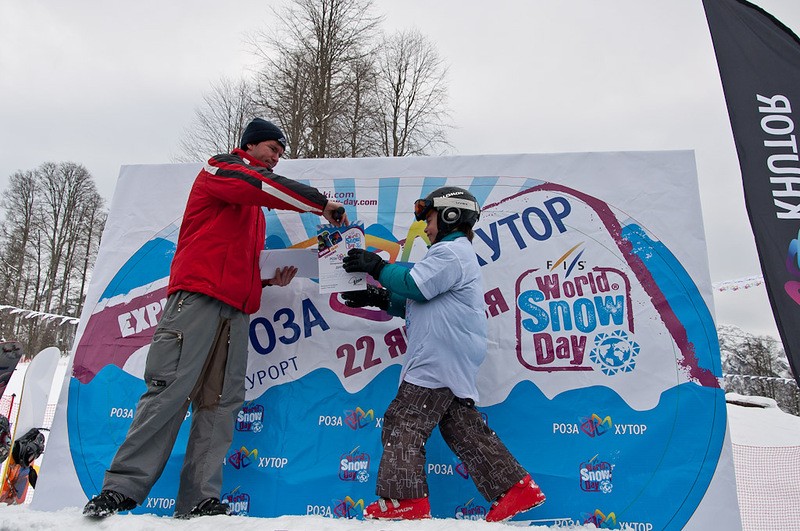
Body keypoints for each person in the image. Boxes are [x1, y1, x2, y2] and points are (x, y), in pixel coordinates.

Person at [83, 118, 348, 519]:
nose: (276, 158)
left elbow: (232, 254)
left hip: (236, 310)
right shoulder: (221, 168)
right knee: (170, 390)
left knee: (221, 403)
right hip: (197, 300)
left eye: (280, 153)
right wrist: (321, 204)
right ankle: (120, 489)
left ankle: (199, 499)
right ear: (251, 145)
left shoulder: (253, 212)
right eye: (272, 149)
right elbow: (260, 186)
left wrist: (265, 278)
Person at [341, 186, 545, 522]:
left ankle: (406, 501)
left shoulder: (450, 253)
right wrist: (379, 299)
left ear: (451, 216)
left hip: (439, 357)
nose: (426, 226)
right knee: (460, 427)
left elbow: (416, 285)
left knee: (404, 419)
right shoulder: (453, 255)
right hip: (450, 355)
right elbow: (419, 302)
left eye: (430, 218)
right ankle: (515, 489)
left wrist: (377, 267)